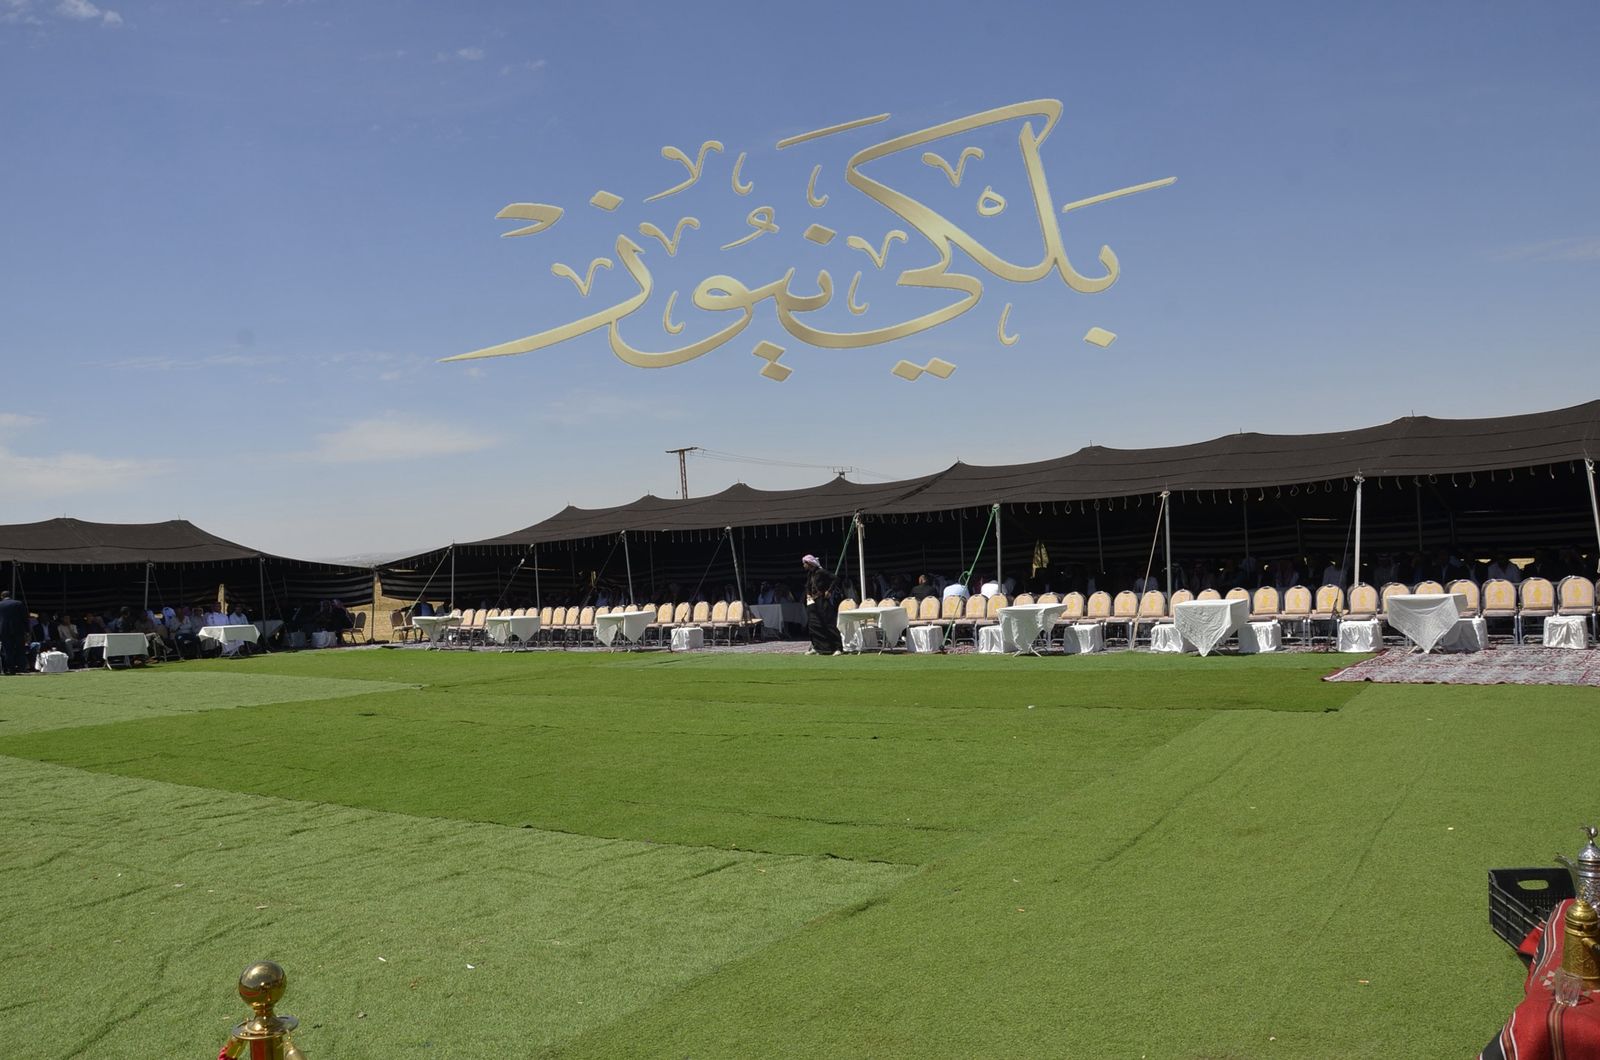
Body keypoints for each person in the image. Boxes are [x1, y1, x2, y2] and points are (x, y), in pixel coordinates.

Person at [802, 555, 843, 655]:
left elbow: (835, 579)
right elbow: (807, 586)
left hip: (822, 600)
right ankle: (818, 647)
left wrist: (829, 591)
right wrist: (808, 594)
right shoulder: (810, 574)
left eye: (805, 563)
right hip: (812, 602)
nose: (803, 565)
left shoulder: (821, 572)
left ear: (810, 563)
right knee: (814, 624)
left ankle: (837, 648)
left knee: (828, 623)